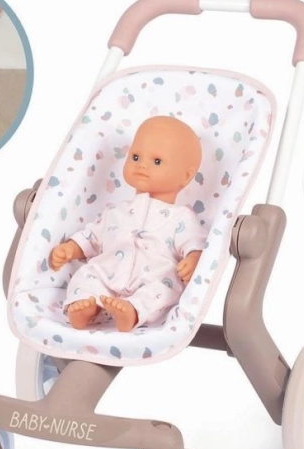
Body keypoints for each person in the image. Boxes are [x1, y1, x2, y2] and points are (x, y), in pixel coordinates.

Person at [49, 115, 206, 332]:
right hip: (109, 271)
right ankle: (85, 307)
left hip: (152, 277)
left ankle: (132, 311)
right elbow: (92, 237)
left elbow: (195, 243)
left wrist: (194, 259)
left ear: (186, 177)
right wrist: (70, 249)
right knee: (87, 275)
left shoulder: (182, 217)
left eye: (157, 161)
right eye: (135, 156)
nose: (142, 165)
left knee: (163, 290)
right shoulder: (116, 212)